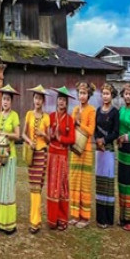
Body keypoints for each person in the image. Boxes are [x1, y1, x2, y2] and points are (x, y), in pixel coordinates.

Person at [0, 84, 20, 235]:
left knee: (8, 189)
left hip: (10, 155)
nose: (5, 102)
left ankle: (9, 224)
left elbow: (18, 135)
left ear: (11, 101)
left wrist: (5, 134)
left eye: (8, 99)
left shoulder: (14, 116)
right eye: (3, 99)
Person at [22, 85, 51, 234]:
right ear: (33, 99)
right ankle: (35, 219)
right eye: (35, 98)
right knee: (32, 187)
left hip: (41, 154)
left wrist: (43, 134)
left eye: (40, 98)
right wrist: (29, 141)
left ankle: (35, 221)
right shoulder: (28, 114)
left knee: (38, 188)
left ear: (43, 100)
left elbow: (50, 139)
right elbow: (23, 134)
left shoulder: (46, 117)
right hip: (31, 153)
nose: (37, 100)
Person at [47, 86, 76, 231]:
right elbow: (46, 137)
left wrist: (61, 138)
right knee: (52, 187)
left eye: (64, 100)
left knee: (62, 188)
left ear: (66, 103)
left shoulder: (70, 119)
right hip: (52, 155)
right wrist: (51, 136)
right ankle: (52, 219)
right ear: (56, 101)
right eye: (59, 99)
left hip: (63, 156)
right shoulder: (51, 116)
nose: (61, 102)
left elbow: (72, 139)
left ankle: (62, 219)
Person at [69, 81, 96, 228]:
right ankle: (74, 214)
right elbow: (70, 126)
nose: (82, 95)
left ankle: (85, 217)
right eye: (80, 93)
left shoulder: (91, 110)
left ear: (89, 95)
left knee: (84, 183)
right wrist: (75, 121)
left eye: (85, 93)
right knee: (74, 181)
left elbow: (91, 130)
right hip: (75, 149)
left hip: (86, 150)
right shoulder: (74, 109)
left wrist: (79, 124)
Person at [94, 83, 119, 228]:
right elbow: (95, 129)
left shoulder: (115, 112)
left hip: (108, 150)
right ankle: (100, 218)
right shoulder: (98, 110)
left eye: (107, 93)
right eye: (103, 93)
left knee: (108, 184)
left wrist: (104, 140)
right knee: (100, 183)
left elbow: (116, 132)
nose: (105, 96)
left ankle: (108, 218)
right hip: (99, 151)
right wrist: (97, 140)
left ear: (112, 95)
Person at [118, 82, 130, 231]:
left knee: (129, 185)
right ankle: (122, 217)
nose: (127, 96)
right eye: (126, 94)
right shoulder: (121, 110)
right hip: (121, 151)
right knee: (121, 183)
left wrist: (128, 137)